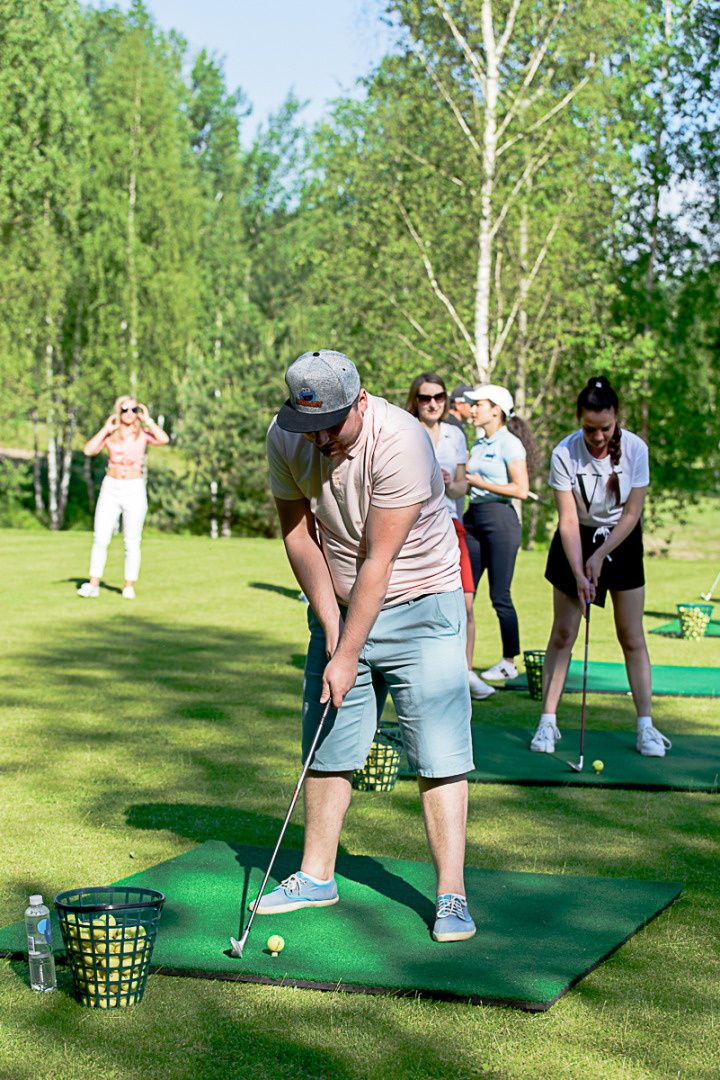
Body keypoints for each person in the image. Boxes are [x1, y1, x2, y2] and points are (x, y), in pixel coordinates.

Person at [260, 349, 476, 943]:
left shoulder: (403, 440)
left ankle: (451, 896)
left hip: (421, 603)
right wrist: (331, 627)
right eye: (310, 426)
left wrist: (348, 653)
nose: (321, 437)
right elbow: (298, 535)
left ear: (359, 402)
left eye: (332, 423)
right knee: (326, 741)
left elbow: (380, 561)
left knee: (437, 749)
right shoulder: (288, 435)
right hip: (340, 601)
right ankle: (314, 876)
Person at [530, 375, 670, 757]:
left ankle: (646, 727)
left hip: (621, 542)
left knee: (631, 635)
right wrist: (579, 570)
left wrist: (599, 555)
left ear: (616, 419)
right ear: (579, 419)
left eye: (605, 428)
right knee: (563, 634)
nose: (596, 437)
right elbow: (569, 520)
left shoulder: (636, 450)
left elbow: (632, 513)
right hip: (575, 540)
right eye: (589, 428)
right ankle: (547, 722)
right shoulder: (564, 453)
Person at [405, 372, 494, 700]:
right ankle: (419, 675)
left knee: (466, 604)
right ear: (415, 399)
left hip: (449, 523)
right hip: (410, 525)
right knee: (416, 603)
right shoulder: (403, 428)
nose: (432, 404)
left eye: (438, 397)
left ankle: (465, 673)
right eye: (425, 398)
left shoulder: (455, 434)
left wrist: (444, 482)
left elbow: (461, 485)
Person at [463, 384, 537, 682]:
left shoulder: (510, 444)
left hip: (500, 520)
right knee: (463, 594)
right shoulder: (479, 444)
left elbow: (521, 489)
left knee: (499, 595)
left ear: (496, 409)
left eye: (477, 404)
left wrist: (480, 482)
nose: (472, 409)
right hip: (473, 520)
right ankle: (458, 661)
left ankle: (509, 660)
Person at [77, 396, 169, 599]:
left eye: (133, 409)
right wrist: (105, 429)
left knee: (132, 541)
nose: (129, 413)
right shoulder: (112, 434)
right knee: (100, 538)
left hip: (134, 488)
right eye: (125, 409)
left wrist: (149, 420)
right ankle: (93, 584)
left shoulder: (143, 434)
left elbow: (164, 439)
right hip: (111, 487)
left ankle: (128, 586)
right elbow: (88, 449)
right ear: (118, 412)